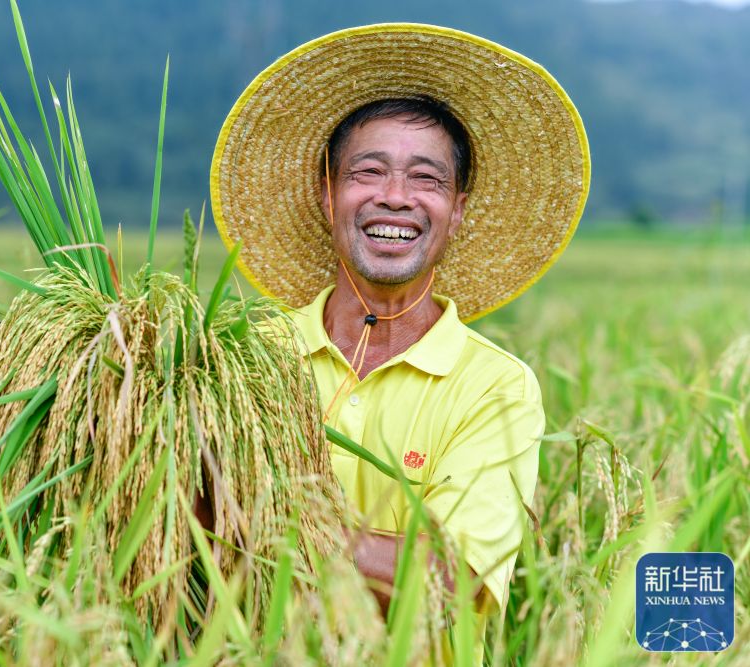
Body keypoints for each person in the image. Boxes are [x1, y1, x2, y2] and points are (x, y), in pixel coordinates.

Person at [210, 23, 590, 663]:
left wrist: (258, 517)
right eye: (368, 171)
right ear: (326, 193)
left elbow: (453, 579)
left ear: (459, 208)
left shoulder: (495, 387)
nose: (395, 197)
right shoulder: (245, 359)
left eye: (426, 179)